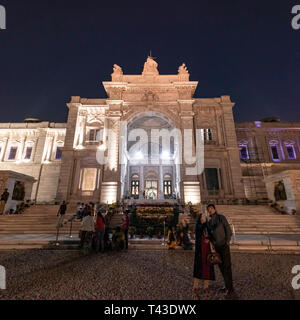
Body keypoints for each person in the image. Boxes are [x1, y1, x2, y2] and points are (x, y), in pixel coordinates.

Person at [206, 204, 236, 299]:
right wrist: (209, 240)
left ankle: (230, 288)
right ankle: (226, 286)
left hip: (224, 245)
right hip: (217, 247)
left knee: (227, 266)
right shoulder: (209, 222)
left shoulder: (221, 218)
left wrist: (227, 241)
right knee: (221, 267)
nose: (210, 210)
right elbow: (210, 234)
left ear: (215, 209)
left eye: (211, 208)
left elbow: (228, 230)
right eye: (208, 209)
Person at [193, 212, 215, 299]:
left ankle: (206, 286)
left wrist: (209, 240)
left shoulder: (208, 226)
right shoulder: (198, 226)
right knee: (199, 268)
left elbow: (211, 235)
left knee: (208, 267)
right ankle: (195, 286)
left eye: (204, 218)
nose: (203, 219)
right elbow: (199, 230)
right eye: (202, 218)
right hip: (200, 250)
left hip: (207, 250)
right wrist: (205, 224)